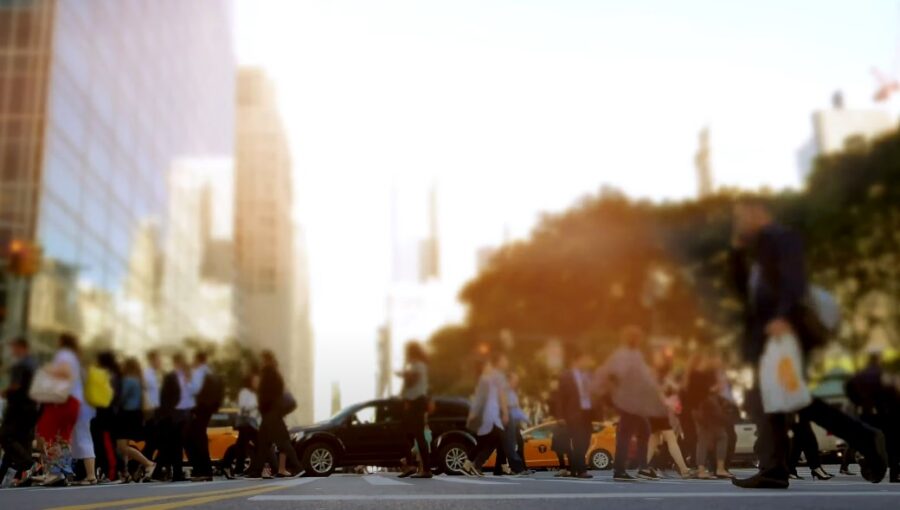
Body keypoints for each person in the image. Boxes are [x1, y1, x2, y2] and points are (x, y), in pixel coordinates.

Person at [728, 196, 888, 489]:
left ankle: (864, 437)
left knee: (791, 397)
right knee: (774, 399)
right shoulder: (757, 250)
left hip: (783, 332)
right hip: (768, 334)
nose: (739, 222)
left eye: (741, 216)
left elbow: (795, 280)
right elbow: (745, 294)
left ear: (757, 211)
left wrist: (783, 316)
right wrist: (737, 253)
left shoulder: (781, 238)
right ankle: (775, 469)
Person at [594, 326, 665, 481]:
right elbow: (614, 374)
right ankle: (620, 470)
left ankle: (642, 468)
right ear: (632, 338)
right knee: (625, 434)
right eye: (637, 338)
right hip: (628, 401)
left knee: (643, 430)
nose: (640, 340)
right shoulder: (623, 354)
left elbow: (643, 375)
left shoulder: (635, 354)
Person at [34, 334, 95, 486]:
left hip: (64, 399)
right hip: (77, 402)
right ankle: (63, 471)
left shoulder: (64, 355)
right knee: (64, 436)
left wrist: (47, 370)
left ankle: (57, 471)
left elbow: (64, 373)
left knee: (48, 430)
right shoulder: (76, 359)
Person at [464, 354, 526, 476]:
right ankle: (517, 468)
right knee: (504, 441)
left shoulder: (490, 378)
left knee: (491, 441)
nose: (506, 362)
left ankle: (474, 464)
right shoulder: (494, 377)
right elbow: (495, 397)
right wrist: (505, 413)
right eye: (504, 360)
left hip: (494, 415)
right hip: (496, 415)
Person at [845, 352, 900, 483]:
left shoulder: (860, 376)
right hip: (886, 414)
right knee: (892, 444)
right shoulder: (883, 375)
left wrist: (859, 402)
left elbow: (849, 388)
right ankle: (894, 473)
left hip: (867, 413)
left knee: (871, 442)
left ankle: (868, 464)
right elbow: (892, 393)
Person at [246, 351, 300, 479]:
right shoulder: (274, 373)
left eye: (262, 359)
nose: (260, 362)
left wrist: (262, 407)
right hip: (270, 413)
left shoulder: (269, 373)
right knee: (263, 444)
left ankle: (298, 467)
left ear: (266, 360)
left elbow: (266, 396)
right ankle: (256, 471)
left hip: (270, 412)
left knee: (283, 442)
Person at [684, 353, 731, 480]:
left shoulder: (692, 375)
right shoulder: (698, 375)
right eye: (704, 360)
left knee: (714, 437)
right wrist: (715, 388)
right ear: (699, 362)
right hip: (705, 410)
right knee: (712, 438)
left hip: (700, 410)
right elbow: (704, 393)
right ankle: (707, 469)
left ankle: (708, 469)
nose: (706, 362)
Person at [0, 338, 39, 487]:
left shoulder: (21, 364)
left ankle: (29, 464)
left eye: (14, 348)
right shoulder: (34, 364)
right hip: (32, 407)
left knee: (5, 437)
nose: (13, 351)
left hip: (18, 408)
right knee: (24, 442)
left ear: (21, 348)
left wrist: (4, 392)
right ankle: (24, 479)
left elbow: (15, 386)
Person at [116, 358, 156, 482]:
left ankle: (148, 464)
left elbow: (120, 398)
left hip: (126, 415)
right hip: (134, 415)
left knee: (122, 447)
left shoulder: (128, 380)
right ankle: (125, 473)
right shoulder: (138, 380)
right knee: (122, 446)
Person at [396, 342, 432, 479]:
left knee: (415, 435)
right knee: (410, 434)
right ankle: (413, 465)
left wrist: (403, 374)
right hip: (415, 402)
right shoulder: (416, 365)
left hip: (416, 402)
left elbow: (411, 381)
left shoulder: (418, 365)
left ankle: (420, 468)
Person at [558, 348, 596, 479]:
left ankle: (574, 468)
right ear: (577, 360)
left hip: (588, 413)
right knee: (579, 442)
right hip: (574, 414)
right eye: (585, 359)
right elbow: (560, 398)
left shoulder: (590, 375)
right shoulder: (566, 376)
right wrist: (561, 416)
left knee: (586, 441)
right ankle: (581, 470)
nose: (587, 362)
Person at [158, 353, 190, 482]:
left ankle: (176, 472)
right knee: (171, 446)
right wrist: (167, 414)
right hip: (172, 417)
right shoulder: (170, 377)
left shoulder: (185, 378)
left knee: (177, 446)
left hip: (182, 416)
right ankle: (166, 471)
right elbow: (164, 397)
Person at [186, 352, 217, 482]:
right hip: (206, 409)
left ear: (198, 359)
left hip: (199, 409)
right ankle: (203, 470)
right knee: (198, 438)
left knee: (193, 438)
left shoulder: (199, 372)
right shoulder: (209, 371)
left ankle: (201, 471)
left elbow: (194, 389)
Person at [223, 371, 260, 479]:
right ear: (250, 382)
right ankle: (256, 470)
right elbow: (243, 407)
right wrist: (256, 406)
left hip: (251, 422)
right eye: (255, 381)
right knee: (256, 445)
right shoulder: (244, 392)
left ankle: (231, 467)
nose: (257, 383)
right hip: (245, 422)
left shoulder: (253, 393)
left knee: (240, 446)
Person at [91, 351, 121, 482]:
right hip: (107, 413)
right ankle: (107, 471)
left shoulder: (109, 376)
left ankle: (112, 473)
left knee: (106, 444)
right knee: (102, 444)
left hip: (106, 414)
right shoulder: (114, 374)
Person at [141, 350, 162, 468]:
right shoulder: (147, 374)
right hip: (150, 412)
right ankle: (141, 465)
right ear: (152, 360)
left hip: (157, 411)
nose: (160, 362)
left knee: (153, 443)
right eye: (158, 360)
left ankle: (144, 466)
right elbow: (143, 391)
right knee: (153, 442)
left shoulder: (155, 375)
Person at [547, 380, 572, 477]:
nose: (552, 384)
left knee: (567, 448)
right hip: (557, 425)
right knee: (558, 448)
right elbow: (552, 409)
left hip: (566, 424)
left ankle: (571, 469)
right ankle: (563, 468)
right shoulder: (553, 395)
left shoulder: (565, 395)